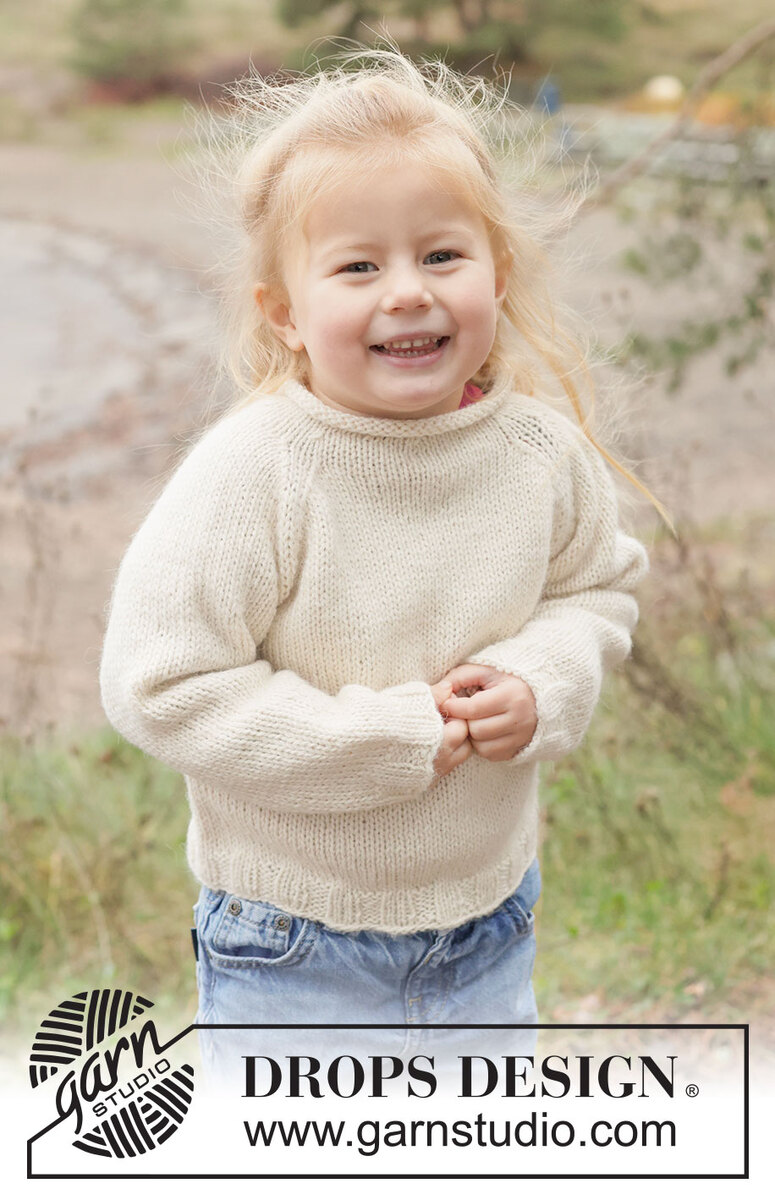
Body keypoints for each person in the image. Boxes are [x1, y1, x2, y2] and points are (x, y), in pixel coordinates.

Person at [99, 46, 656, 1088]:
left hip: (489, 920)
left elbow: (595, 591)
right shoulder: (255, 471)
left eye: (442, 255)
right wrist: (384, 740)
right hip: (292, 942)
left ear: (497, 272)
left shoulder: (539, 453)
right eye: (357, 268)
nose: (407, 293)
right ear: (283, 311)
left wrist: (542, 678)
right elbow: (162, 685)